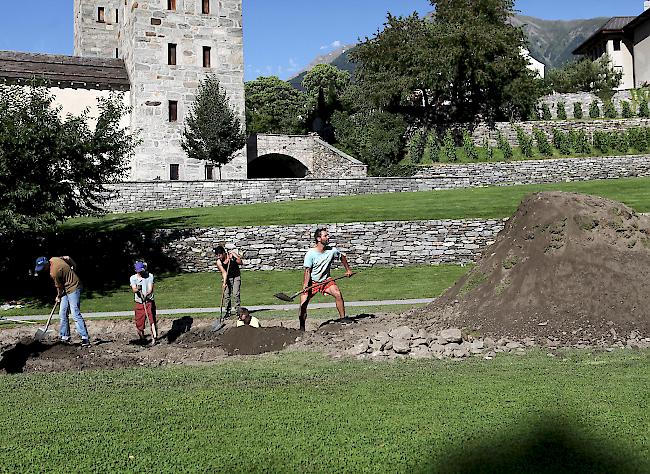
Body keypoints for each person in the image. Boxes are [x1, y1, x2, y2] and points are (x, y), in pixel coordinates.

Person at [298, 228, 353, 331]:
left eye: (328, 235)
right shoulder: (311, 254)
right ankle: (302, 328)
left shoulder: (332, 251)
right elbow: (307, 271)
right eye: (325, 236)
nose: (328, 237)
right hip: (312, 282)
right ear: (319, 238)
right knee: (303, 304)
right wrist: (305, 285)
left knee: (337, 294)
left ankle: (343, 319)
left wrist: (348, 270)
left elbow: (342, 257)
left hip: (326, 281)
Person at [34, 256, 90, 347]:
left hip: (74, 287)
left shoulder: (54, 272)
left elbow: (59, 288)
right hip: (65, 288)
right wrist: (74, 266)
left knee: (75, 312)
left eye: (43, 267)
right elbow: (67, 257)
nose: (43, 270)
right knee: (62, 312)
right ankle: (65, 336)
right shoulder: (53, 259)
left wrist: (58, 296)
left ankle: (85, 338)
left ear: (46, 264)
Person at [129, 261, 158, 345]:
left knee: (151, 319)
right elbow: (134, 289)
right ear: (135, 270)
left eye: (141, 270)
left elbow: (150, 289)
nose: (140, 272)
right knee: (139, 323)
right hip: (139, 303)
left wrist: (147, 294)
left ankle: (154, 338)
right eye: (138, 270)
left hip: (149, 302)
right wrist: (138, 289)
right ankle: (142, 338)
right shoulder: (133, 278)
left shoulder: (150, 276)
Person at [215, 245, 243, 320]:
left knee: (235, 294)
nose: (219, 257)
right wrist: (224, 283)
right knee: (226, 295)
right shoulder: (218, 262)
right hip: (227, 278)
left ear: (224, 253)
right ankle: (227, 312)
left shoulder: (232, 254)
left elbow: (241, 262)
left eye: (220, 255)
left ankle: (238, 312)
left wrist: (234, 259)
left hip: (236, 277)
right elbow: (224, 273)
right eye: (217, 256)